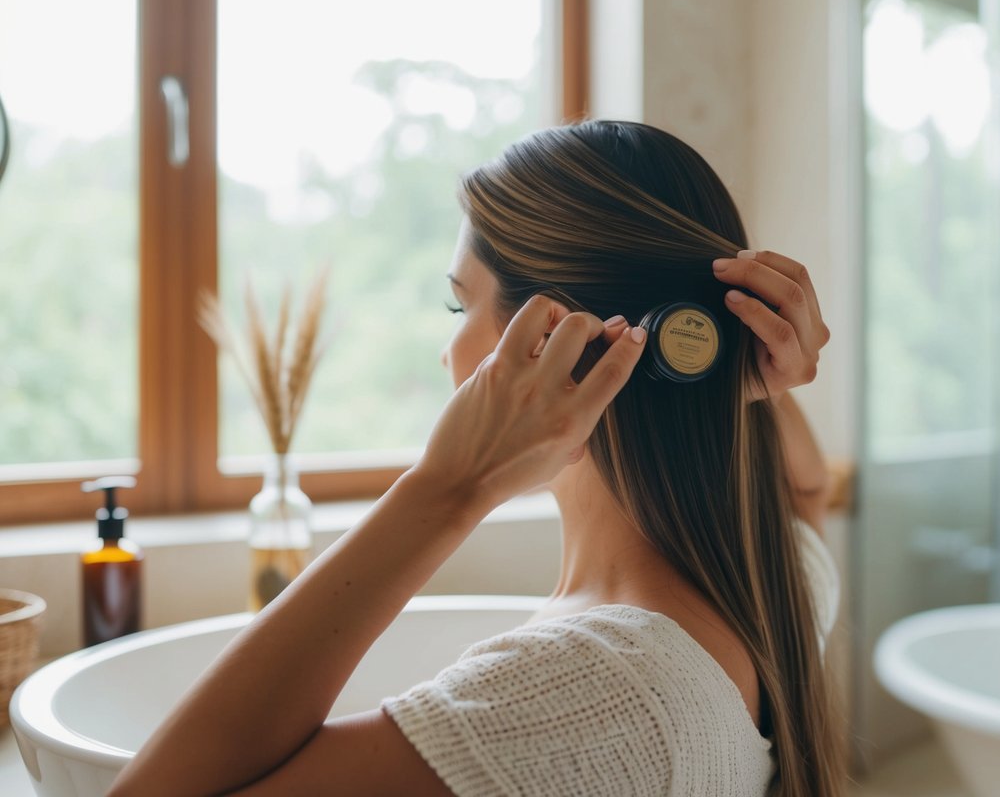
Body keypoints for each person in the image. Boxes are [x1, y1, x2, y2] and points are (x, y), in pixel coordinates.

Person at [107, 120, 843, 797]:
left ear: (558, 342)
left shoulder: (591, 696)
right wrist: (721, 373)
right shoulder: (769, 587)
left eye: (461, 307)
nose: (447, 351)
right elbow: (804, 492)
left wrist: (445, 489)